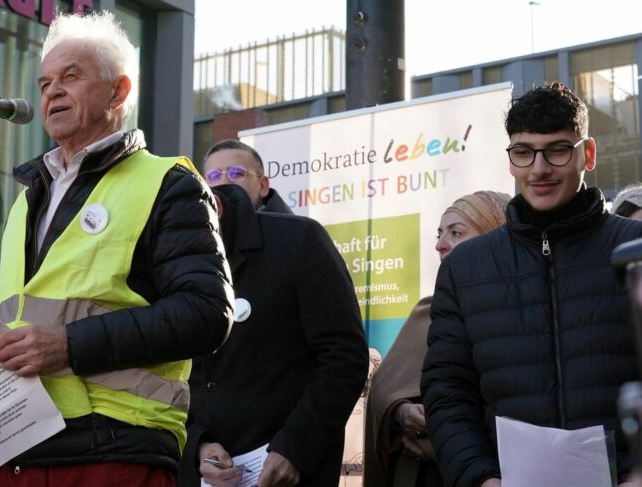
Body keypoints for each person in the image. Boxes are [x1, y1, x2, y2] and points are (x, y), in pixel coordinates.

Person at [0, 11, 232, 487]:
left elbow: (206, 312)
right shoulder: (26, 201)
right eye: (46, 82)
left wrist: (69, 346)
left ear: (119, 91)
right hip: (15, 449)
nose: (52, 91)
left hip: (114, 448)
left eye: (71, 76)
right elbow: (21, 327)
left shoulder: (168, 182)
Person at [421, 81, 642, 487]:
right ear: (510, 160)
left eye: (557, 150)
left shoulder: (635, 251)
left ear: (587, 154)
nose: (539, 169)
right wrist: (480, 478)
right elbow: (448, 392)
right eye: (523, 152)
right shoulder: (465, 267)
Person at [177, 183, 368, 487]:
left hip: (292, 471)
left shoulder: (299, 240)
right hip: (207, 474)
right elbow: (173, 374)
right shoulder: (170, 262)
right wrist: (197, 444)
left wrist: (295, 448)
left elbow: (344, 357)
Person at [364, 190, 510, 487]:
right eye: (440, 234)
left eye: (456, 233)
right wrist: (401, 412)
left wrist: (446, 441)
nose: (440, 245)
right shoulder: (426, 313)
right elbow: (383, 394)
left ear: (496, 235)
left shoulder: (524, 313)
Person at [203, 138, 292, 213]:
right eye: (214, 176)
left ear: (263, 186)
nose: (224, 182)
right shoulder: (194, 230)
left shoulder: (297, 231)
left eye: (237, 173)